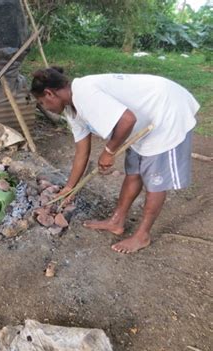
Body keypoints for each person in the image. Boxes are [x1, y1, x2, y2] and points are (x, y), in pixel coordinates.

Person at [31, 67, 199, 253]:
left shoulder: (86, 94)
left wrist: (109, 151)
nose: (44, 107)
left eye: (42, 102)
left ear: (49, 93)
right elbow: (82, 151)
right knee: (133, 172)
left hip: (166, 111)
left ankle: (142, 235)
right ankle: (116, 221)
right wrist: (70, 187)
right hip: (143, 121)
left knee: (155, 181)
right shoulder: (71, 109)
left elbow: (127, 119)